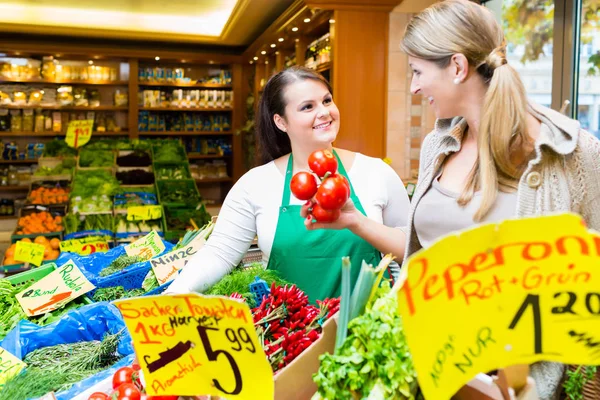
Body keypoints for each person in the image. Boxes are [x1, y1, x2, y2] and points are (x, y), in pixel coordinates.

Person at [302, 1, 600, 398]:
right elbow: (423, 254)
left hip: (514, 384)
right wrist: (354, 220)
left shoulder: (571, 154)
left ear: (458, 67)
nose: (414, 86)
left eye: (418, 72)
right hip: (428, 371)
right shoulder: (437, 146)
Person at [167, 66, 410, 303]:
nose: (324, 112)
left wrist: (359, 222)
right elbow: (219, 253)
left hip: (364, 333)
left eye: (327, 100)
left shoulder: (376, 172)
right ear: (281, 122)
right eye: (307, 107)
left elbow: (412, 248)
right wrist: (175, 293)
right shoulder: (256, 183)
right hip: (290, 335)